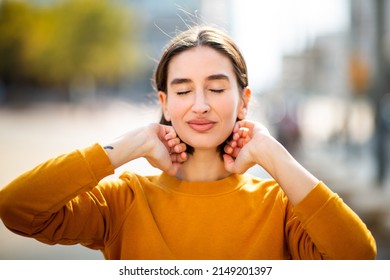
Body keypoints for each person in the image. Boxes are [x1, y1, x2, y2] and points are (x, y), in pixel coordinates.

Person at [0, 25, 376, 260]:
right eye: (182, 91)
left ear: (244, 101)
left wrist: (274, 155)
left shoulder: (279, 207)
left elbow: (358, 256)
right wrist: (130, 144)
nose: (200, 105)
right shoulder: (123, 200)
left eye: (215, 88)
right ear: (164, 102)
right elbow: (16, 208)